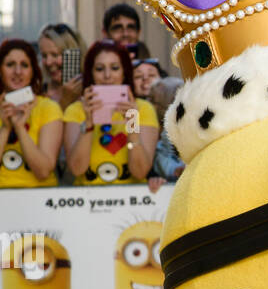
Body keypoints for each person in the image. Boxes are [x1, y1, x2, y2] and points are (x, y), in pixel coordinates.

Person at [62, 40, 158, 184]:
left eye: (114, 68)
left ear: (124, 72)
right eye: (100, 69)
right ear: (91, 74)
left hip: (132, 201)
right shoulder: (75, 110)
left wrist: (132, 124)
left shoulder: (143, 109)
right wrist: (88, 124)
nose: (107, 75)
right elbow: (77, 169)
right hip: (87, 201)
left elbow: (140, 172)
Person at [0, 38, 63, 187]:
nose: (18, 71)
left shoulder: (49, 108)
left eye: (24, 65)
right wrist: (6, 128)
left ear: (33, 70)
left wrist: (20, 129)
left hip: (37, 198)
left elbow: (43, 172)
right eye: (10, 65)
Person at [37, 23, 87, 110]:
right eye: (44, 56)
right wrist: (65, 101)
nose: (48, 62)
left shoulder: (89, 91)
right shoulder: (38, 91)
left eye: (55, 55)